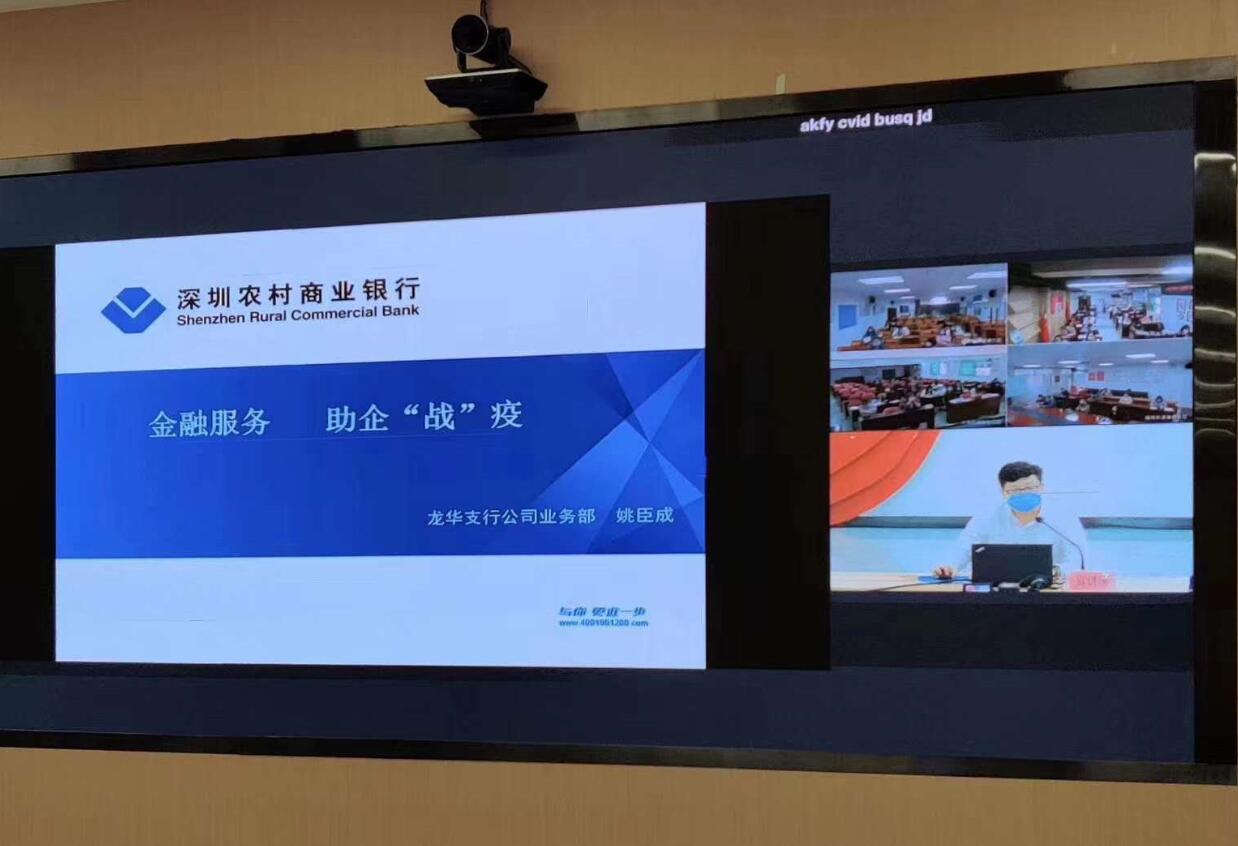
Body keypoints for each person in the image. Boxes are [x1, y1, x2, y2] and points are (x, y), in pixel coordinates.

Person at [932, 461, 1088, 580]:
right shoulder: (987, 516)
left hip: (1047, 592)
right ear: (1004, 492)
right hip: (996, 592)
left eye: (1030, 488)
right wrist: (950, 566)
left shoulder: (1064, 518)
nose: (1023, 494)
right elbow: (963, 548)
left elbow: (1078, 561)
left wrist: (1053, 571)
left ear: (1042, 487)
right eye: (1015, 490)